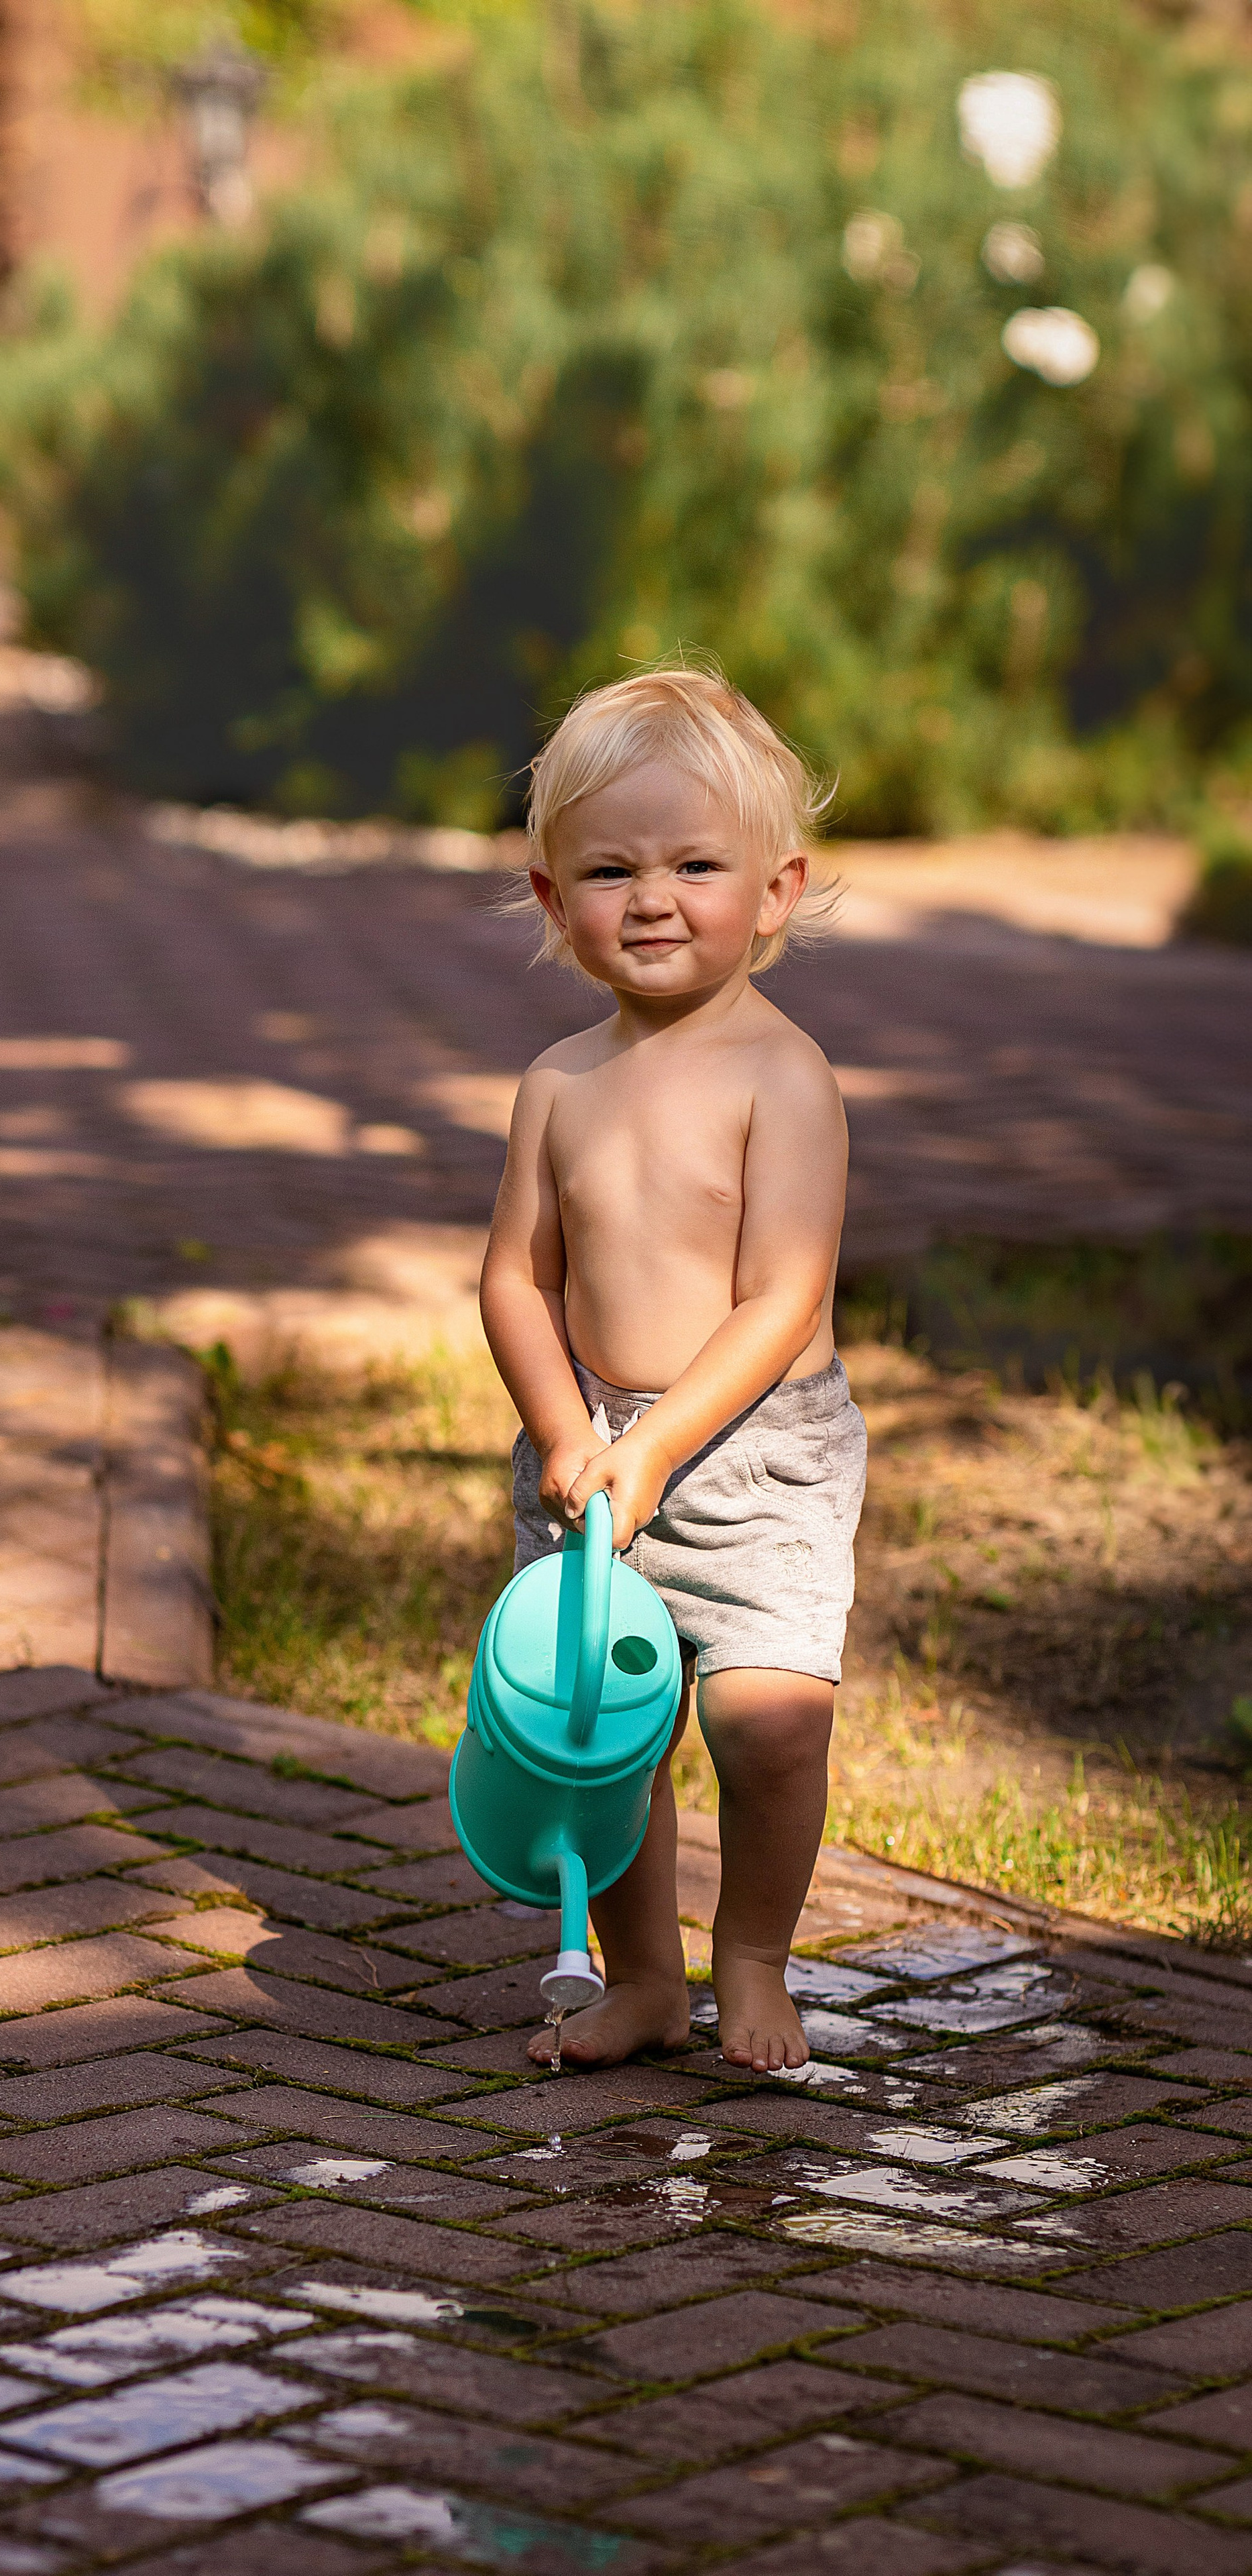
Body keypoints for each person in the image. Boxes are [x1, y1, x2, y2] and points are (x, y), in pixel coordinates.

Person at [479, 660, 864, 2075]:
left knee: (764, 1726)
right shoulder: (558, 1084)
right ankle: (640, 1977)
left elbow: (780, 1299)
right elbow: (516, 1277)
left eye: (696, 863)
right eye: (608, 869)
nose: (651, 898)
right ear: (548, 899)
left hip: (753, 1454)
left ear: (773, 891)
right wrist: (564, 1425)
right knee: (612, 1738)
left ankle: (751, 1954)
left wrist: (653, 1448)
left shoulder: (784, 1076)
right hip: (591, 1454)